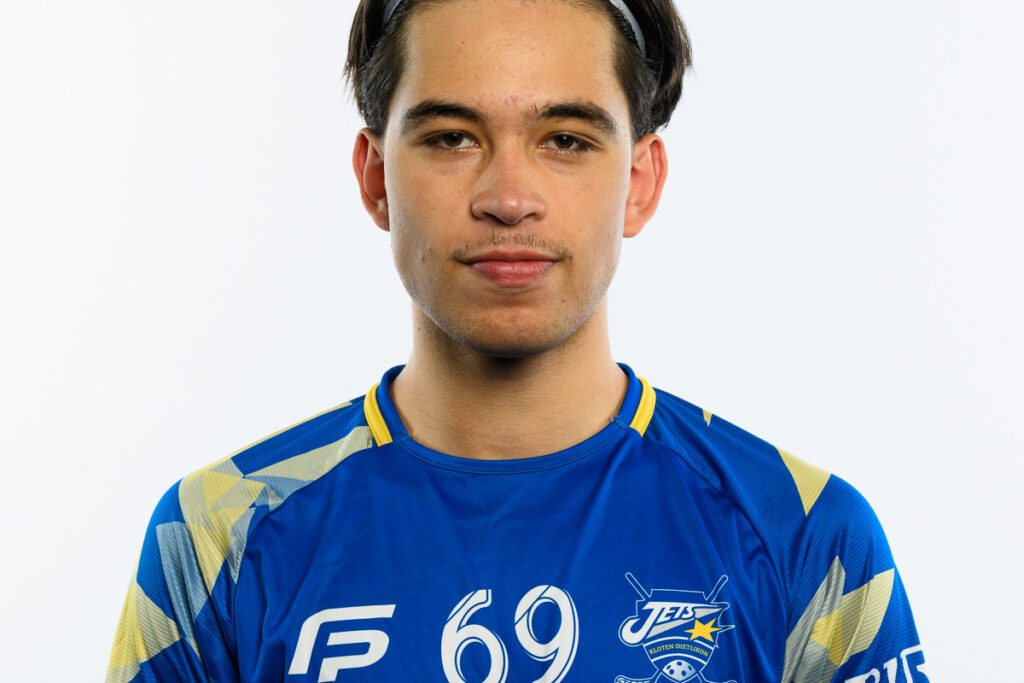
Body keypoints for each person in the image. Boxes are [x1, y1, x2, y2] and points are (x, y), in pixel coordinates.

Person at [106, 1, 927, 681]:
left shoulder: (808, 538)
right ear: (375, 177)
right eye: (451, 137)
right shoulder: (216, 538)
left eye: (565, 139)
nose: (508, 197)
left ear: (639, 183)